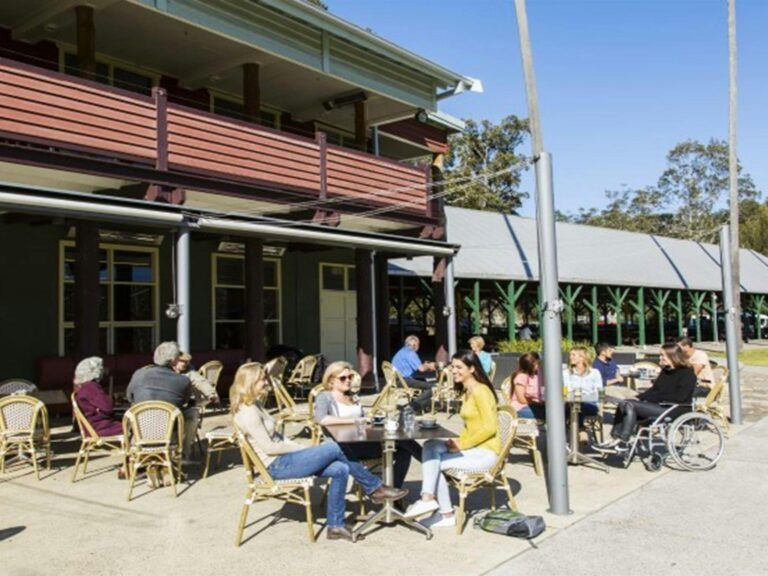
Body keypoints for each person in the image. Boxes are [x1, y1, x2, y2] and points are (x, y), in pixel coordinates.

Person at [231, 362, 407, 542]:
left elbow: (278, 440)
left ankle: (335, 526)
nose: (267, 383)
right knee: (335, 446)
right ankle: (375, 488)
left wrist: (300, 448)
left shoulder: (255, 405)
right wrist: (304, 448)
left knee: (340, 469)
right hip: (275, 467)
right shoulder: (248, 412)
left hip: (286, 460)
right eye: (262, 380)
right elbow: (269, 447)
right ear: (250, 382)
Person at [404, 350, 501, 528]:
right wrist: (456, 443)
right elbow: (471, 427)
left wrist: (461, 444)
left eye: (458, 367)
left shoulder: (481, 391)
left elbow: (490, 427)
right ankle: (429, 500)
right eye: (452, 367)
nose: (453, 371)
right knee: (431, 445)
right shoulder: (467, 392)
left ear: (472, 368)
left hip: (486, 453)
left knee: (435, 464)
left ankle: (442, 510)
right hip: (472, 448)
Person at [313, 361, 420, 489]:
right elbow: (321, 419)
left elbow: (363, 419)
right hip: (343, 447)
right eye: (343, 378)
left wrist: (373, 421)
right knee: (402, 442)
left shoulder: (352, 396)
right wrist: (354, 420)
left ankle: (394, 492)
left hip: (362, 441)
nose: (348, 380)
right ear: (331, 380)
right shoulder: (325, 396)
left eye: (350, 377)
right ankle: (434, 463)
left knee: (403, 448)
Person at [597, 343, 697, 451]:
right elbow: (654, 390)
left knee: (630, 405)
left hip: (674, 408)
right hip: (660, 405)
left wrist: (651, 398)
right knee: (625, 402)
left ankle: (623, 439)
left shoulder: (688, 374)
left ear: (673, 357)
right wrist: (639, 397)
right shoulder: (666, 371)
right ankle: (614, 437)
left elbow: (679, 397)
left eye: (663, 355)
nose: (660, 358)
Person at [126, 341, 197, 459]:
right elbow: (184, 401)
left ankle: (131, 457)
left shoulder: (138, 374)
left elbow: (129, 397)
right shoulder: (182, 381)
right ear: (174, 360)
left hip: (141, 429)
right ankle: (184, 454)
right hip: (167, 430)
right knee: (192, 413)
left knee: (132, 412)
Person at [73, 356, 123, 438]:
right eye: (102, 368)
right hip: (101, 427)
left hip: (94, 426)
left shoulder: (84, 387)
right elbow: (108, 407)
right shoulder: (91, 387)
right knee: (134, 426)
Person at [391, 335, 436, 413]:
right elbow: (421, 369)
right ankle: (413, 406)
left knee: (423, 380)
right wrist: (429, 365)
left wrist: (425, 365)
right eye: (418, 345)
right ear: (415, 345)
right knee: (433, 388)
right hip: (404, 380)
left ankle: (421, 405)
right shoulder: (410, 353)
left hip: (396, 380)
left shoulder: (402, 351)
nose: (418, 347)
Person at [562, 347, 603, 425]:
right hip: (571, 404)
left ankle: (578, 431)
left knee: (577, 407)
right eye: (570, 355)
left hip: (590, 404)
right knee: (574, 406)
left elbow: (599, 391)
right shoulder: (566, 373)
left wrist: (601, 407)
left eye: (573, 355)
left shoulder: (594, 373)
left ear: (582, 357)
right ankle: (580, 432)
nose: (570, 357)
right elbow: (567, 390)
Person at [508, 352, 543, 419]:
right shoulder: (521, 377)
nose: (539, 365)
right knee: (548, 413)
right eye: (537, 363)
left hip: (531, 405)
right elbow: (521, 399)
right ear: (531, 364)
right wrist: (535, 403)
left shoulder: (535, 375)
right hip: (520, 408)